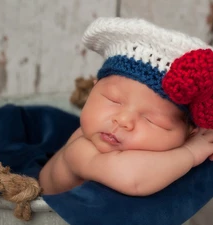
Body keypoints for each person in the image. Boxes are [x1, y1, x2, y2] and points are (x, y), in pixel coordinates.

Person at [39, 17, 213, 196]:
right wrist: (191, 152)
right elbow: (133, 179)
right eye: (113, 100)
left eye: (152, 120)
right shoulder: (82, 148)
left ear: (191, 132)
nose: (123, 120)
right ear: (93, 88)